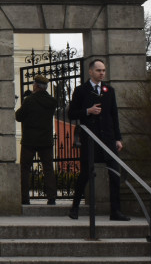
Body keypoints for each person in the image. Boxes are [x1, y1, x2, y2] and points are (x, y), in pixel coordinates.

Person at [67, 58, 130, 221]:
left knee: (115, 174)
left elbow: (114, 115)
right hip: (90, 139)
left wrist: (118, 138)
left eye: (103, 70)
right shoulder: (81, 90)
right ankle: (74, 208)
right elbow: (71, 113)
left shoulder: (109, 90)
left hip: (108, 139)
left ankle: (115, 211)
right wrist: (88, 111)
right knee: (85, 174)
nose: (101, 73)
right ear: (90, 71)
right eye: (98, 70)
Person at [15, 73, 58, 205]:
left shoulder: (30, 100)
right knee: (48, 169)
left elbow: (19, 116)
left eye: (34, 84)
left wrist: (27, 99)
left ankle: (25, 198)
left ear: (37, 86)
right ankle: (51, 197)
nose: (33, 86)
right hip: (46, 140)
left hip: (30, 141)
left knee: (25, 168)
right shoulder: (52, 102)